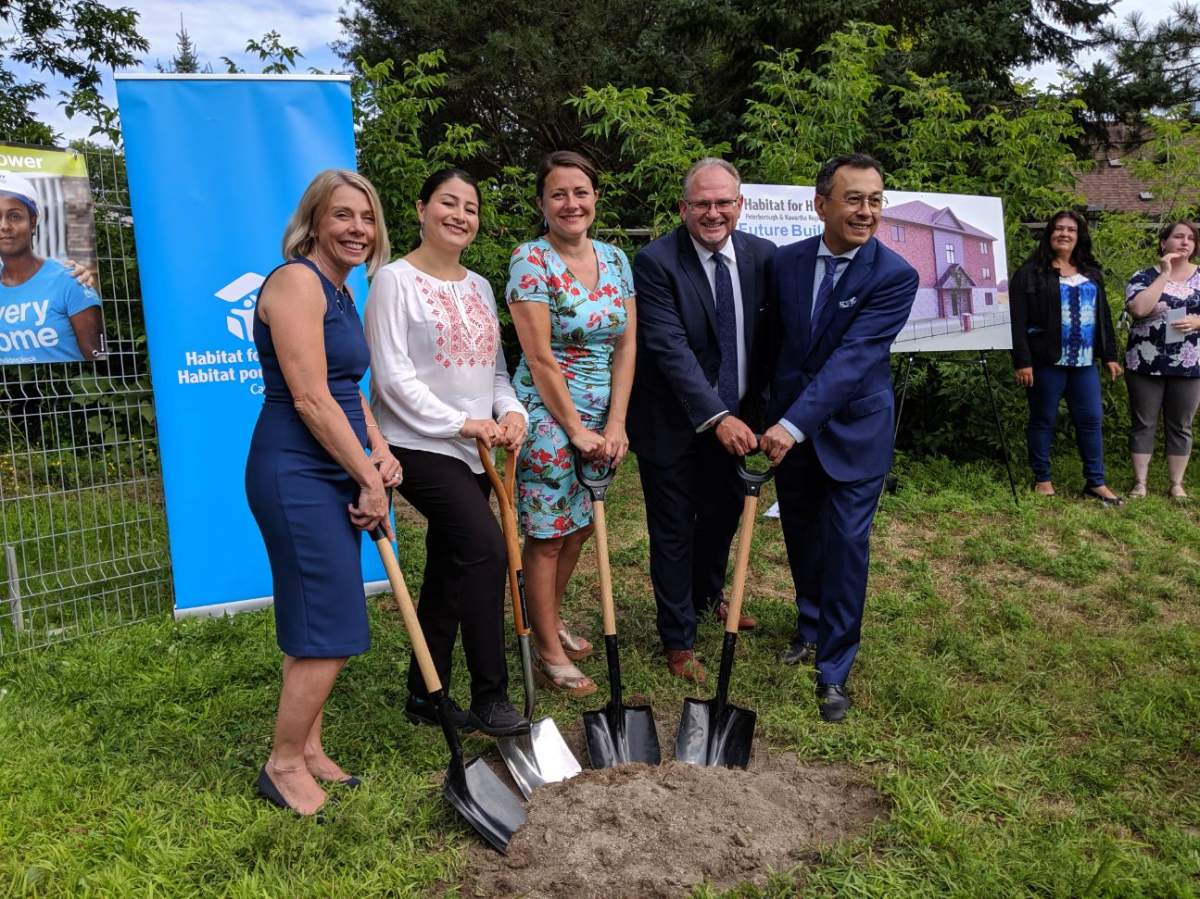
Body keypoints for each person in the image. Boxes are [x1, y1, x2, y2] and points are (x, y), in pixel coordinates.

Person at [245, 169, 401, 817]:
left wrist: (379, 448)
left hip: (335, 462)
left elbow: (345, 388)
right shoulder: (293, 283)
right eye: (342, 216)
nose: (357, 229)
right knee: (331, 623)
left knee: (314, 616)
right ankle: (281, 764)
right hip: (294, 470)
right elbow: (308, 396)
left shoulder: (340, 289)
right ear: (314, 221)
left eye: (366, 218)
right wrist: (366, 476)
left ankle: (307, 747)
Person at [364, 168, 530, 736]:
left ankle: (424, 693)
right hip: (418, 444)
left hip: (475, 447)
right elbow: (391, 379)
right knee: (485, 549)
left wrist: (511, 412)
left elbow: (495, 371)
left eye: (470, 207)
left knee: (450, 566)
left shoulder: (480, 285)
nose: (460, 215)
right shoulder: (392, 281)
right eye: (448, 203)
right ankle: (491, 695)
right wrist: (463, 422)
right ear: (421, 208)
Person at [760, 154, 918, 723]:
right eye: (854, 199)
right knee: (802, 534)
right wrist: (765, 419)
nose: (867, 211)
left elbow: (853, 361)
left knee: (847, 545)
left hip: (854, 433)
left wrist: (791, 424)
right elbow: (779, 350)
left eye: (875, 200)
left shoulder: (895, 275)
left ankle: (835, 666)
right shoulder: (786, 264)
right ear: (821, 203)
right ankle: (809, 624)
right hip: (790, 434)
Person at [627, 158, 775, 683]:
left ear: (740, 205)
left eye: (723, 203)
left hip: (740, 423)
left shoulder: (763, 256)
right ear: (683, 208)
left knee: (723, 516)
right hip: (672, 423)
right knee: (673, 531)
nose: (713, 213)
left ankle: (708, 593)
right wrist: (717, 416)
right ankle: (678, 638)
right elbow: (668, 348)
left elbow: (771, 342)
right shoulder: (655, 261)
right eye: (701, 204)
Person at [505, 151, 636, 697]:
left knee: (581, 525)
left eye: (580, 192)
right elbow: (539, 358)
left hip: (600, 415)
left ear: (595, 198)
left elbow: (627, 345)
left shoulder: (616, 258)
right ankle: (547, 650)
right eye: (558, 194)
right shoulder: (530, 260)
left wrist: (616, 423)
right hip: (545, 414)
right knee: (548, 535)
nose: (571, 203)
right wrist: (575, 430)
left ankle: (548, 616)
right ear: (542, 204)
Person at [1009, 210, 1123, 505]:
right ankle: (1042, 479)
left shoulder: (1092, 273)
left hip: (1084, 363)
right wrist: (1023, 361)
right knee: (1043, 419)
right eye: (1058, 229)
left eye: (1071, 230)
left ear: (1079, 236)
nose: (1064, 234)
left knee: (1090, 420)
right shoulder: (1031, 273)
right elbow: (1017, 321)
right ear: (1049, 234)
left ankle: (1096, 482)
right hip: (1046, 361)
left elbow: (1104, 318)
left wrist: (1109, 355)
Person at [1124, 220, 1200, 499]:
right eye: (1178, 237)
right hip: (1145, 362)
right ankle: (1140, 483)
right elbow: (1139, 309)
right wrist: (1165, 274)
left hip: (1189, 363)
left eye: (1190, 238)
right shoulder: (1142, 276)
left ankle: (1177, 484)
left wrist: (1198, 322)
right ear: (1162, 242)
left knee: (1181, 425)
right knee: (1144, 422)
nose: (1185, 242)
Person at [0, 171, 104, 363]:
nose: (4, 226)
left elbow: (98, 359)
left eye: (14, 216)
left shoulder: (71, 279)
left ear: (32, 222)